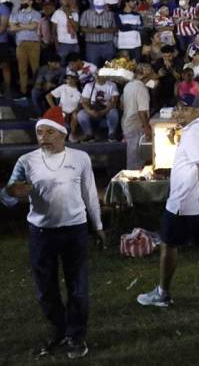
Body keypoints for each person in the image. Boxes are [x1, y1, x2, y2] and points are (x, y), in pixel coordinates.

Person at [1, 106, 105, 359]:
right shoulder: (26, 161)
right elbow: (8, 195)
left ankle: (76, 335)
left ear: (63, 134)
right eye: (39, 132)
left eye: (49, 132)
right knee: (45, 289)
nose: (43, 137)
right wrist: (9, 194)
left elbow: (89, 194)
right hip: (41, 232)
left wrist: (98, 226)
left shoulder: (80, 158)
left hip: (75, 230)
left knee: (78, 287)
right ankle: (57, 331)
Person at [137, 95, 199, 308]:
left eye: (184, 109)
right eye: (177, 108)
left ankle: (162, 293)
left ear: (197, 110)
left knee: (168, 244)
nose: (178, 112)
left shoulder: (194, 133)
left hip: (186, 203)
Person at [121, 63, 154, 170]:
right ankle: (133, 183)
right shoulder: (141, 88)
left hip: (127, 123)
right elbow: (142, 112)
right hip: (137, 126)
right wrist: (147, 128)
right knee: (136, 160)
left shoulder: (128, 85)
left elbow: (121, 105)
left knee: (132, 156)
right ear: (145, 75)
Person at [76, 70, 120, 142]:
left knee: (114, 112)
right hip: (93, 109)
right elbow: (84, 102)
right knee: (81, 114)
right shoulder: (89, 85)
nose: (97, 76)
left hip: (107, 109)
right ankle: (89, 135)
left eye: (100, 75)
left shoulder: (111, 85)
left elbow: (114, 101)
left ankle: (111, 134)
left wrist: (104, 111)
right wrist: (90, 111)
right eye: (96, 75)